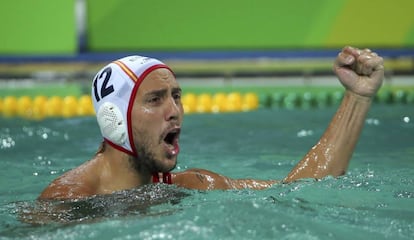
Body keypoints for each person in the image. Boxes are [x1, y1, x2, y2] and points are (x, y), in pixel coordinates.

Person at [38, 46, 384, 199]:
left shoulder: (189, 185)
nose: (174, 110)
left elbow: (299, 189)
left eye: (176, 96)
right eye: (155, 99)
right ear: (114, 120)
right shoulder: (68, 201)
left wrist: (358, 97)